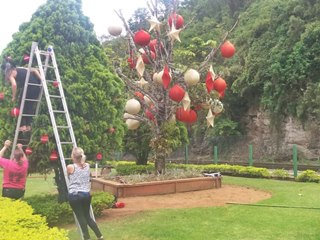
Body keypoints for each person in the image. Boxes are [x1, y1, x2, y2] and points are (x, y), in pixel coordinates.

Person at [67, 147, 104, 240]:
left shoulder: (70, 167)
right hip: (86, 194)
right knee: (87, 216)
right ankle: (100, 236)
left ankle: (87, 237)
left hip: (75, 195)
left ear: (73, 156)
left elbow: (68, 177)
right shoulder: (87, 165)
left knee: (80, 217)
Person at [1, 57, 42, 132]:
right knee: (29, 105)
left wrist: (13, 96)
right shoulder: (21, 69)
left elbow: (14, 85)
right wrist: (42, 80)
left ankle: (23, 125)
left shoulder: (10, 74)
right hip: (36, 87)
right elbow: (35, 70)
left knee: (21, 105)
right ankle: (28, 126)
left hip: (29, 88)